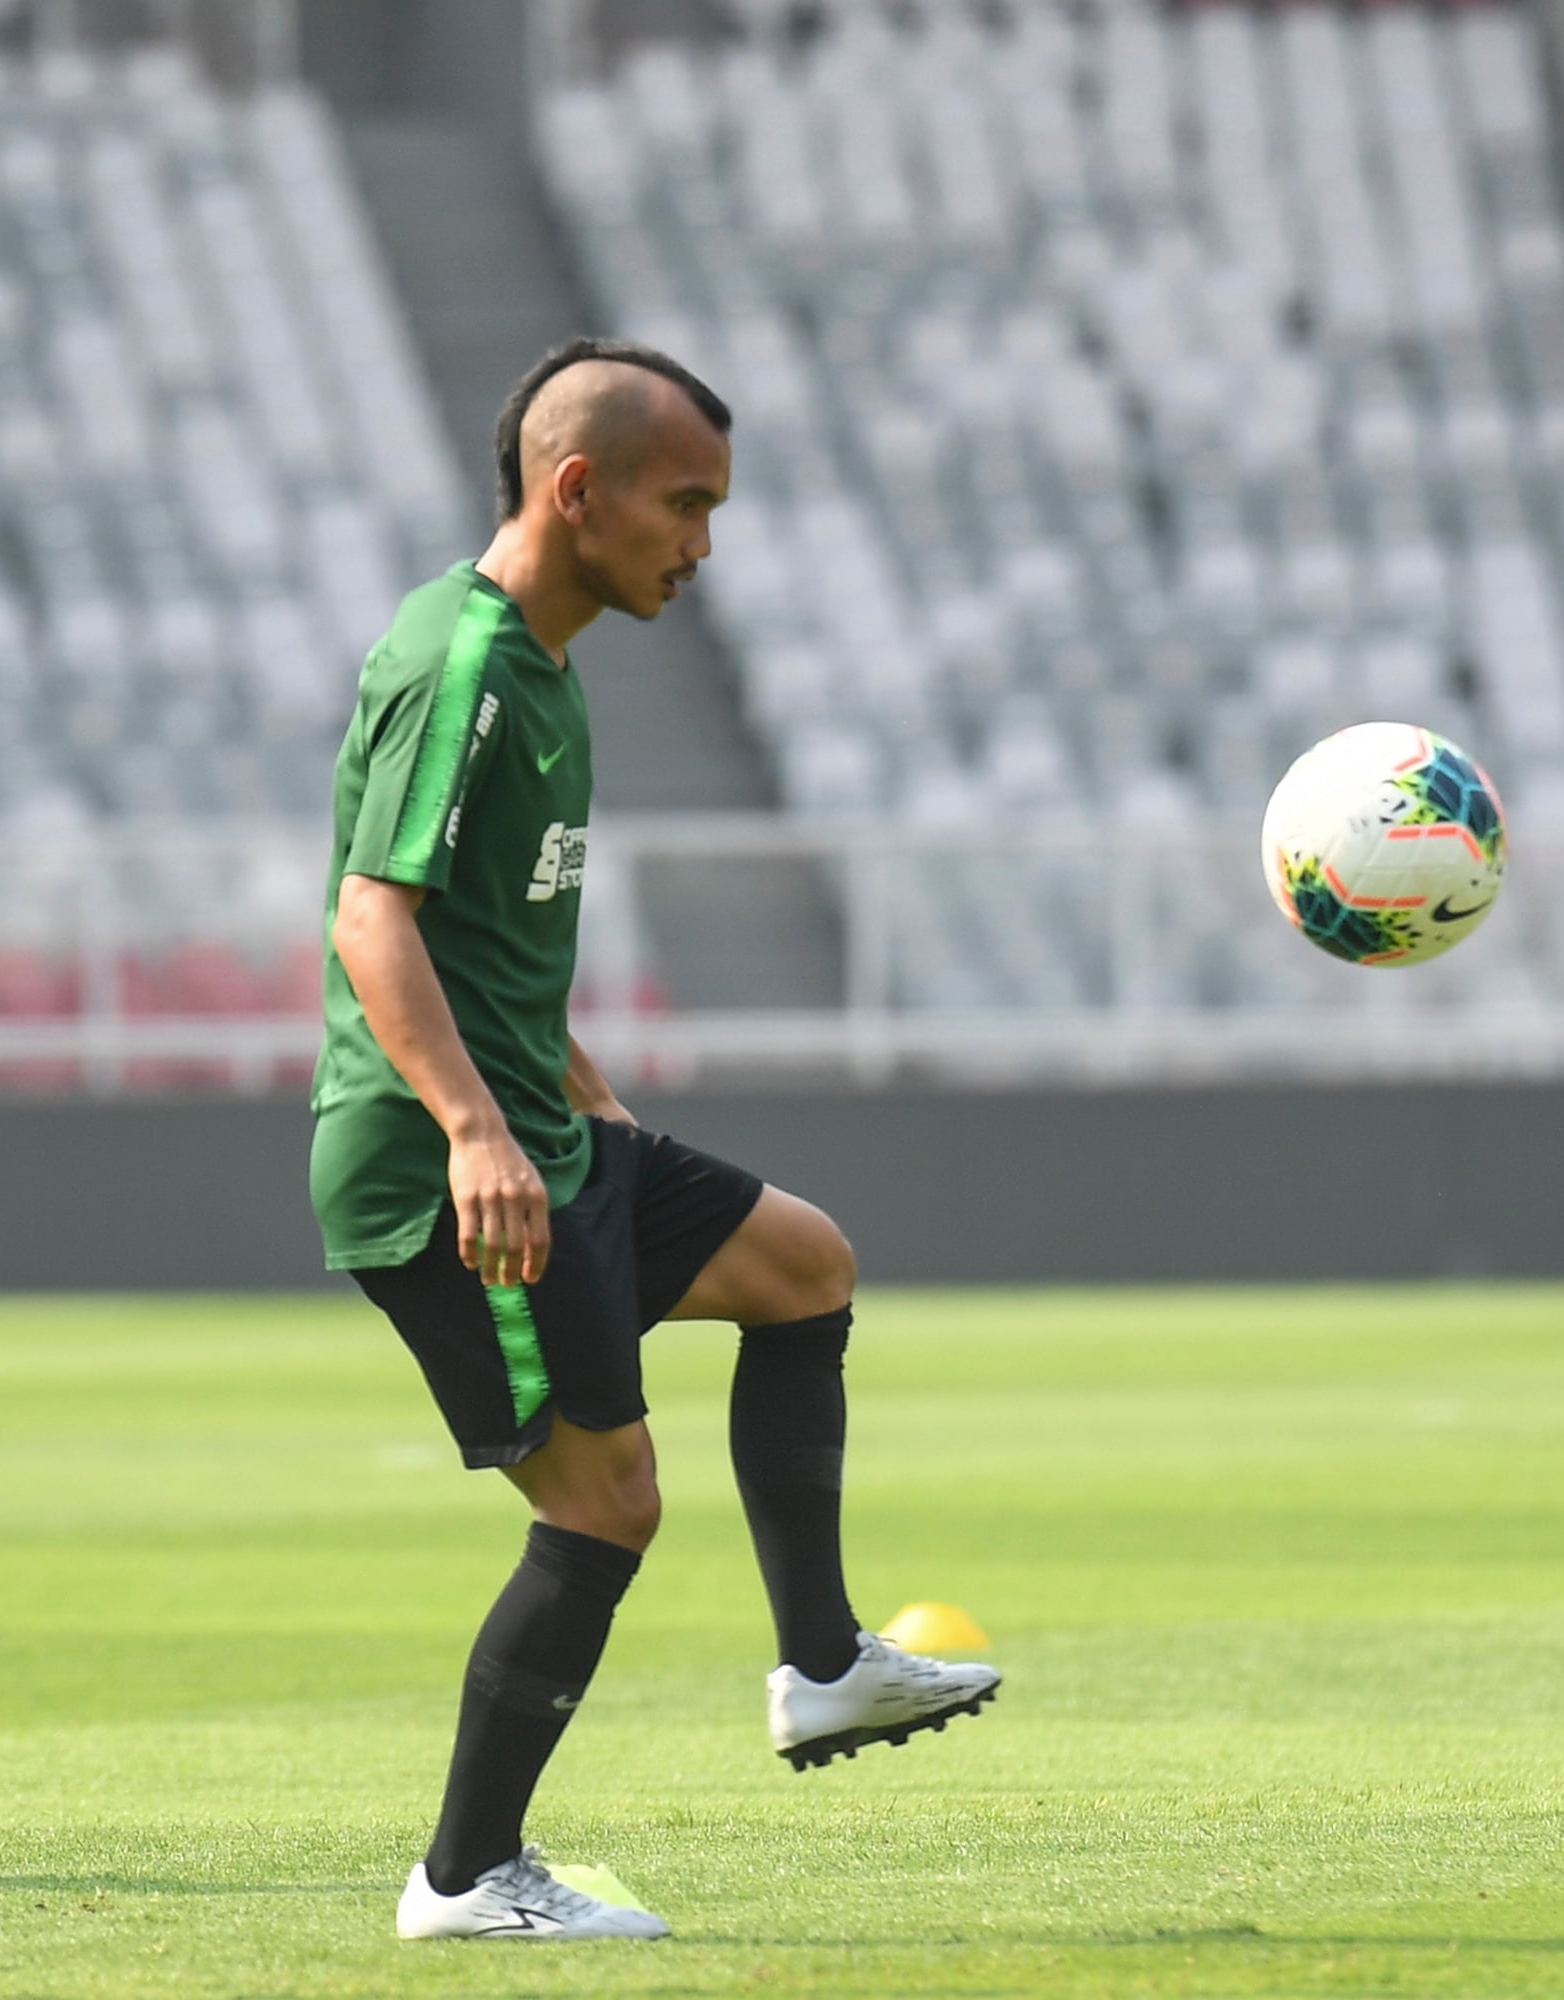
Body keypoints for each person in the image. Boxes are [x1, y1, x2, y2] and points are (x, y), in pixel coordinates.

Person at [313, 338, 999, 1943]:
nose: (702, 543)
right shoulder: (464, 667)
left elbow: (484, 938)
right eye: (685, 504)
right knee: (606, 1505)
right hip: (446, 1179)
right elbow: (372, 915)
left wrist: (574, 1082)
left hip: (544, 1133)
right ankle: (465, 1881)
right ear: (578, 492)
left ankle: (824, 1666)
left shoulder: (541, 666)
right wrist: (479, 1130)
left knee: (803, 1265)